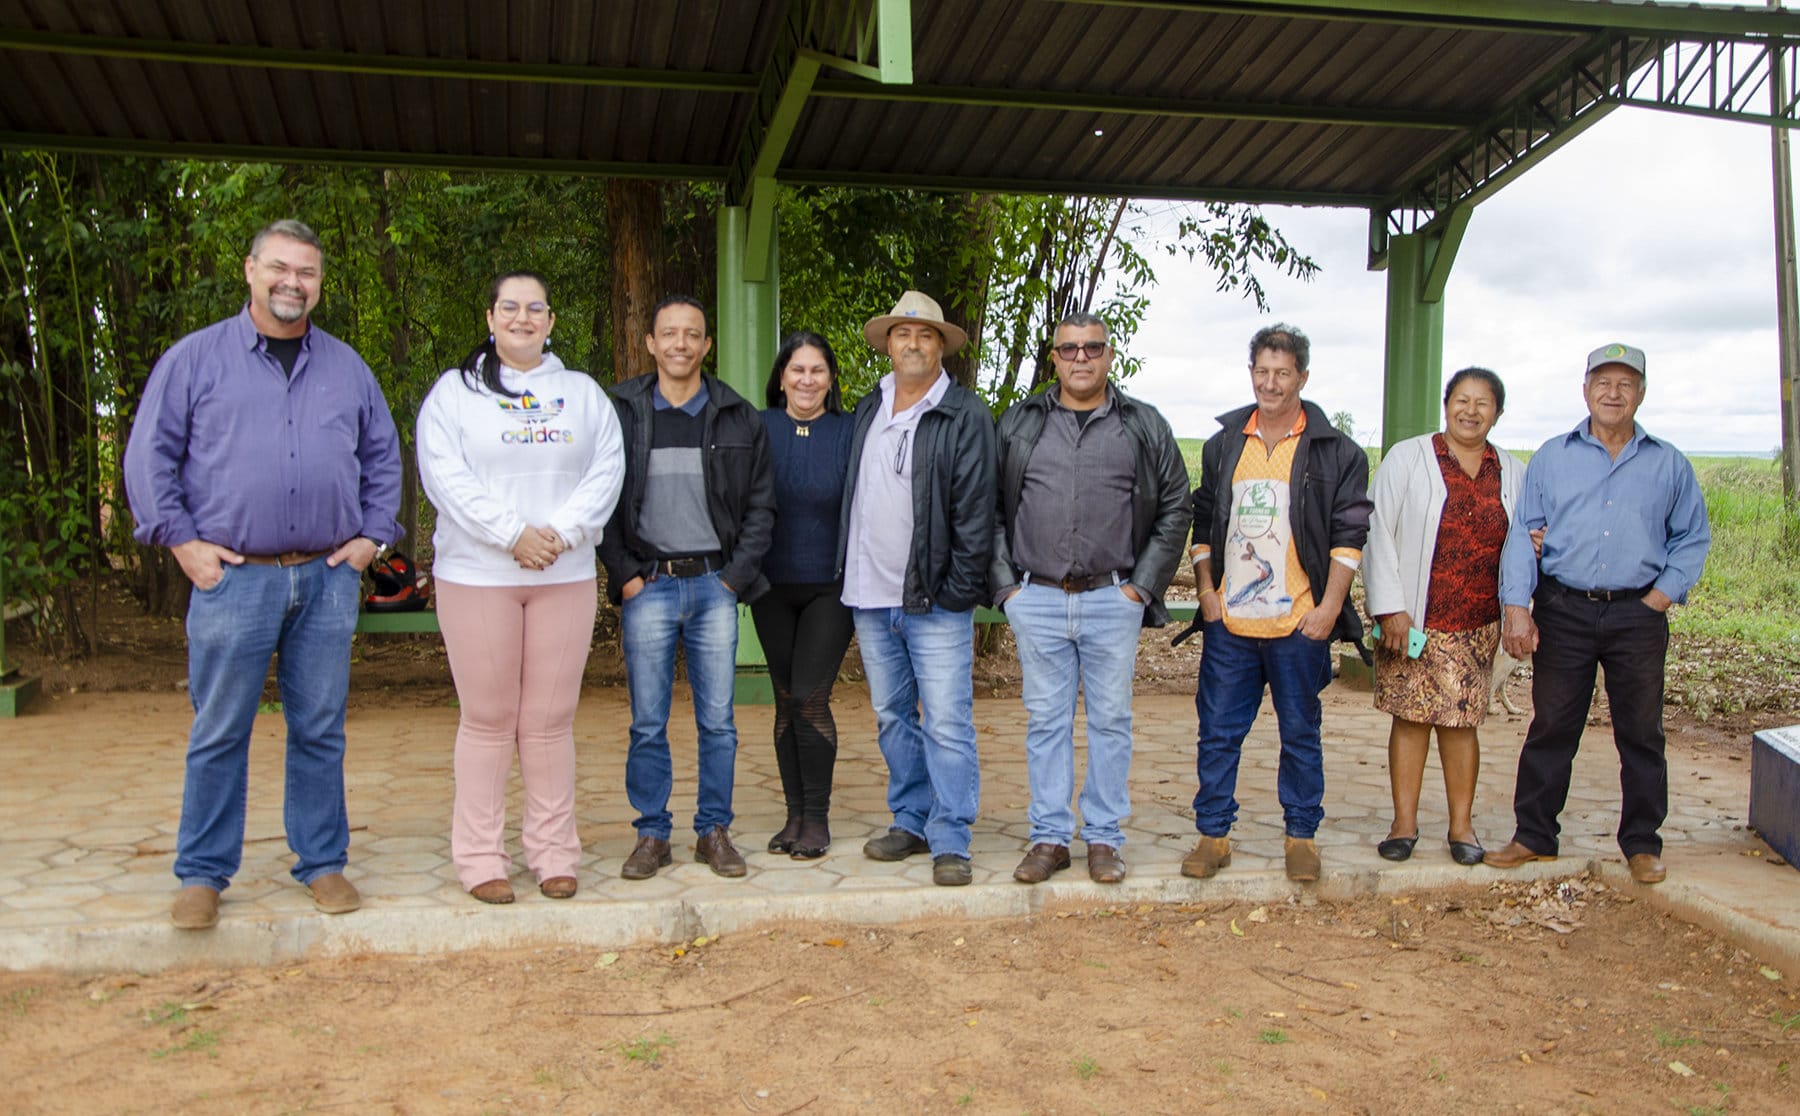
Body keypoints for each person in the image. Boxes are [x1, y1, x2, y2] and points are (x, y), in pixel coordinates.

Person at [123, 218, 402, 930]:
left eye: (306, 272)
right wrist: (183, 543)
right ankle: (203, 875)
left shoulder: (347, 368)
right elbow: (149, 458)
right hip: (233, 579)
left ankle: (322, 863)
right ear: (250, 271)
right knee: (220, 727)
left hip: (326, 578)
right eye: (279, 267)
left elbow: (384, 455)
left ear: (319, 283)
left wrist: (374, 536)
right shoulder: (195, 360)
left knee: (320, 727)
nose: (292, 282)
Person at [416, 272, 625, 904]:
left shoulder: (583, 394)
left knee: (548, 721)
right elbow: (444, 475)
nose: (523, 318)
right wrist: (511, 534)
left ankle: (554, 851)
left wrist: (558, 534)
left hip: (563, 574)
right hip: (478, 575)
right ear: (490, 317)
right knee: (487, 719)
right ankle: (481, 857)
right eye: (511, 307)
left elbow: (606, 469)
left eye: (536, 308)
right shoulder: (455, 394)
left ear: (551, 321)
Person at [1484, 343, 1710, 885]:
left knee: (1640, 732)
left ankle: (1641, 843)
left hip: (1638, 614)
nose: (1613, 393)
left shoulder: (1668, 463)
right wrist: (1518, 607)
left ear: (1641, 394)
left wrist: (1661, 596)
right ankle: (1534, 835)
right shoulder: (1554, 457)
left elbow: (1692, 538)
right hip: (1565, 609)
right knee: (1553, 725)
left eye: (1625, 384)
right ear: (1585, 390)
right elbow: (1522, 534)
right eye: (1603, 382)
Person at [991, 312, 1191, 885]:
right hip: (1038, 599)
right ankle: (1050, 837)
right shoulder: (1020, 423)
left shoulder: (1142, 424)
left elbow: (1176, 506)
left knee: (1110, 721)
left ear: (1109, 356)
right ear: (1053, 357)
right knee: (1045, 722)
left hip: (1112, 599)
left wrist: (1141, 587)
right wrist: (1008, 589)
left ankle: (1104, 837)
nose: (1081, 358)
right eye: (1069, 349)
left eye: (1092, 348)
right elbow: (991, 510)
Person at [1177, 323, 1372, 883]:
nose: (1270, 382)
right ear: (1251, 374)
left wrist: (1330, 608)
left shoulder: (1335, 452)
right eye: (1262, 371)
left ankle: (1301, 837)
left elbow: (1348, 535)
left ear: (1302, 377)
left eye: (1282, 373)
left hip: (1298, 623)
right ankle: (1213, 835)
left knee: (1300, 732)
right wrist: (1207, 591)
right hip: (1231, 624)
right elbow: (1205, 520)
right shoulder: (1225, 444)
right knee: (1217, 731)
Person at [599, 296, 776, 880]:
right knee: (647, 719)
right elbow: (598, 498)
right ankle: (652, 834)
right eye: (668, 334)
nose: (680, 343)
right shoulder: (620, 410)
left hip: (712, 587)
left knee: (718, 720)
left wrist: (732, 581)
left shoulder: (737, 415)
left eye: (692, 334)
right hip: (646, 585)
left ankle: (713, 830)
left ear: (707, 346)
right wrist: (622, 573)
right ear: (650, 343)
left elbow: (760, 508)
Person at [840, 291, 996, 887]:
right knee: (891, 717)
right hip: (870, 596)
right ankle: (910, 818)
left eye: (925, 335)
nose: (913, 343)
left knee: (949, 722)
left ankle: (951, 835)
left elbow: (977, 515)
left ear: (941, 348)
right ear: (888, 343)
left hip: (934, 601)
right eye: (903, 333)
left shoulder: (964, 414)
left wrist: (956, 591)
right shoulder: (866, 409)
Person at [1363, 367, 1522, 866]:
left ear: (1497, 412)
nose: (1471, 411)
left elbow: (1529, 536)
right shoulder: (1409, 458)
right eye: (1462, 399)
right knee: (1410, 721)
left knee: (1461, 724)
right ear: (1446, 402)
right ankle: (1403, 824)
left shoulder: (1513, 470)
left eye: (1483, 403)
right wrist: (1390, 608)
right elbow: (1376, 531)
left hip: (1477, 623)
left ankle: (1462, 827)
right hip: (1413, 621)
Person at [752, 332, 856, 860]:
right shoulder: (760, 428)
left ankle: (816, 818)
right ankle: (792, 815)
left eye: (817, 370)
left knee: (812, 699)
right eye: (797, 370)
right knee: (785, 701)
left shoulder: (849, 432)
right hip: (770, 587)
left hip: (831, 588)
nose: (807, 380)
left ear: (830, 378)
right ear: (782, 377)